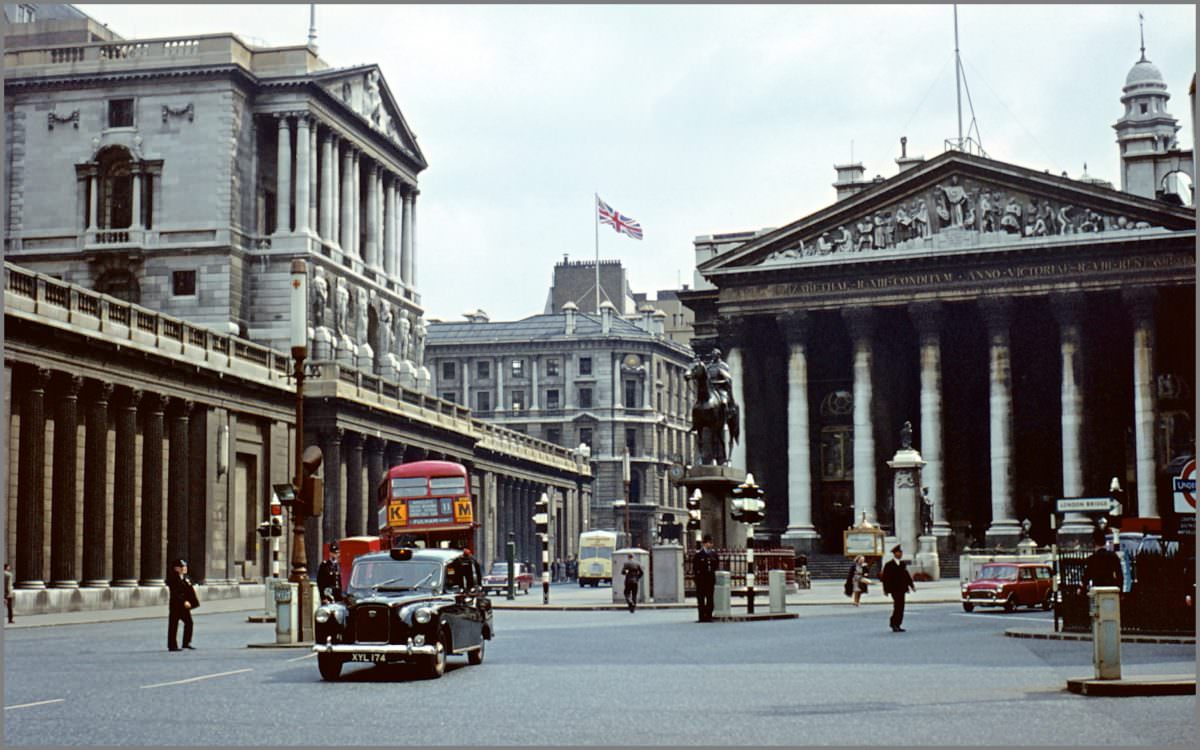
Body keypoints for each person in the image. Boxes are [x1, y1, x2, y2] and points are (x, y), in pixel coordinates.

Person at [880, 545, 915, 632]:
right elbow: (885, 578)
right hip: (894, 589)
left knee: (901, 607)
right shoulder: (889, 565)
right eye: (898, 553)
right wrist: (885, 589)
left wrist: (911, 585)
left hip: (902, 588)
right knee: (897, 606)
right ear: (895, 554)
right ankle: (894, 623)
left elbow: (906, 576)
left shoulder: (902, 564)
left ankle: (898, 624)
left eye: (901, 553)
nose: (900, 554)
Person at [166, 559, 199, 651]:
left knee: (189, 623)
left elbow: (188, 590)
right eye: (182, 567)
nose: (184, 568)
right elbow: (175, 593)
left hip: (184, 606)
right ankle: (172, 645)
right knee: (173, 625)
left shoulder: (185, 578)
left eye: (185, 567)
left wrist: (192, 601)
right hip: (176, 606)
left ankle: (186, 643)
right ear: (176, 568)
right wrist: (184, 601)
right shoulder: (173, 578)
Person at [693, 535, 720, 622]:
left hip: (710, 580)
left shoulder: (714, 555)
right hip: (701, 580)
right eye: (709, 543)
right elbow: (695, 568)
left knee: (710, 599)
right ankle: (701, 617)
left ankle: (708, 616)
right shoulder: (698, 555)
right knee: (701, 599)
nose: (710, 545)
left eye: (711, 543)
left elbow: (716, 566)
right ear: (704, 544)